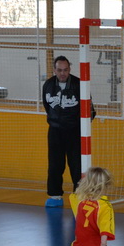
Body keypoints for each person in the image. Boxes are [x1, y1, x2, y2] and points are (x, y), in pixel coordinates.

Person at [42, 55, 95, 208]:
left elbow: (90, 109)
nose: (63, 73)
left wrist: (82, 127)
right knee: (55, 165)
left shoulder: (80, 85)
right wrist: (56, 121)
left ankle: (79, 195)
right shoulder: (48, 85)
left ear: (70, 69)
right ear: (54, 70)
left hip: (75, 131)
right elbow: (47, 106)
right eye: (59, 70)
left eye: (65, 70)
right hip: (55, 131)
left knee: (77, 165)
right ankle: (55, 195)